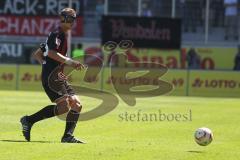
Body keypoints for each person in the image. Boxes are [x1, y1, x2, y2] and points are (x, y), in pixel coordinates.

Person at [20, 8, 86, 143]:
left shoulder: (61, 34)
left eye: (74, 19)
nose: (73, 22)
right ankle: (28, 120)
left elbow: (39, 53)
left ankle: (67, 136)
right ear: (65, 19)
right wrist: (69, 62)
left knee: (77, 104)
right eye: (71, 19)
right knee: (64, 108)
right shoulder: (57, 33)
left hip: (58, 76)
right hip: (52, 77)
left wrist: (45, 63)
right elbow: (50, 53)